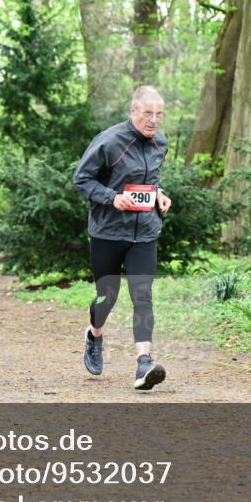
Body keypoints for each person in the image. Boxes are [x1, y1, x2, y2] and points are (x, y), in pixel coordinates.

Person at [73, 85, 173, 390]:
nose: (154, 120)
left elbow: (149, 182)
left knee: (142, 296)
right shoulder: (109, 141)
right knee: (107, 296)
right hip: (107, 232)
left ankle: (144, 362)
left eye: (159, 114)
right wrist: (111, 198)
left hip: (144, 232)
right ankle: (94, 333)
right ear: (133, 111)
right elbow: (81, 178)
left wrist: (159, 195)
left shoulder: (161, 144)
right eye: (147, 113)